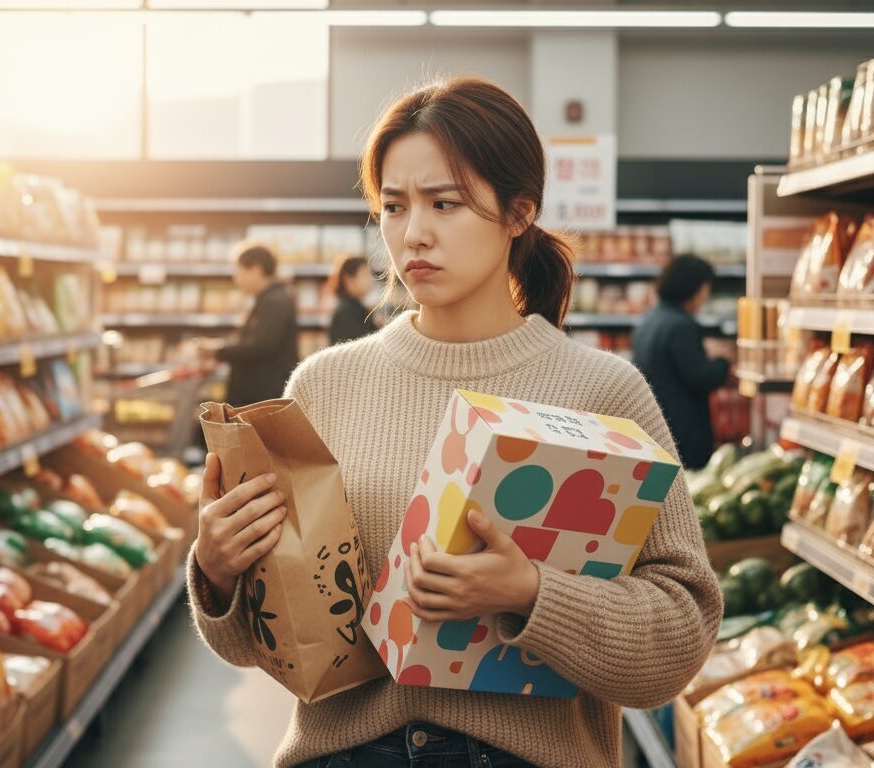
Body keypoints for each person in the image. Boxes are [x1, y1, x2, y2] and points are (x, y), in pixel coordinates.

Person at [188, 77, 721, 768]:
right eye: (394, 206)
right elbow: (260, 646)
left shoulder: (602, 392)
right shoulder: (323, 388)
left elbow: (681, 635)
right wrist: (219, 572)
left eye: (446, 204)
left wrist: (532, 595)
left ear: (519, 212)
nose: (414, 234)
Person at [632, 255, 732, 470]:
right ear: (693, 287)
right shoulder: (681, 325)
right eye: (706, 287)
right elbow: (699, 377)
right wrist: (723, 361)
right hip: (682, 431)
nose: (706, 295)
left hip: (654, 425)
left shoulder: (650, 320)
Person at [203, 242, 299, 407]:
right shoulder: (267, 299)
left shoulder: (275, 302)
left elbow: (261, 345)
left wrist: (218, 352)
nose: (236, 279)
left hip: (264, 398)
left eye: (238, 271)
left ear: (255, 269)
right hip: (260, 396)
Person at [328, 255, 378, 345]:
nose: (371, 280)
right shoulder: (346, 312)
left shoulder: (356, 307)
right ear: (348, 279)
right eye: (365, 275)